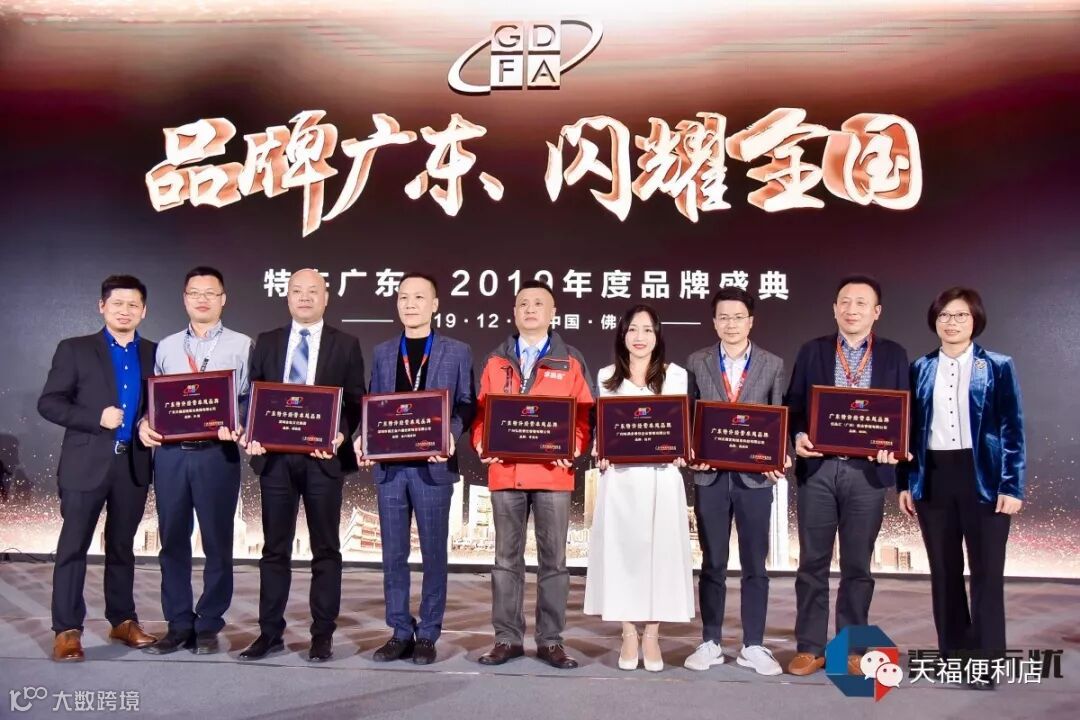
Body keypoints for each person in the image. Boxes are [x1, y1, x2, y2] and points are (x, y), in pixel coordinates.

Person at [899, 287, 1024, 690]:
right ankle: (954, 656)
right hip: (934, 476)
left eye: (960, 315)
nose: (951, 323)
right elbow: (909, 431)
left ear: (975, 320)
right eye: (944, 316)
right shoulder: (920, 368)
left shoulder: (998, 366)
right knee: (944, 571)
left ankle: (985, 662)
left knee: (987, 572)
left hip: (984, 476)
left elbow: (1012, 429)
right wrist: (907, 482)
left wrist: (1012, 485)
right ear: (934, 321)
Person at [784, 275, 909, 676]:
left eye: (861, 303)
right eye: (845, 302)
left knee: (858, 565)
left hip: (866, 474)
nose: (851, 309)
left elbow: (903, 412)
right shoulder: (813, 350)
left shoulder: (893, 355)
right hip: (819, 470)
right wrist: (798, 437)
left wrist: (895, 448)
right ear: (835, 308)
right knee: (812, 563)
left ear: (876, 312)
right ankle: (810, 647)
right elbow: (794, 405)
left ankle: (853, 648)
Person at [239, 268, 366, 662]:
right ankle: (269, 633)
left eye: (313, 291)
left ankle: (322, 634)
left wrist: (341, 433)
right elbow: (254, 395)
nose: (305, 297)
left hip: (322, 461)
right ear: (287, 296)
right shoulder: (268, 341)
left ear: (326, 297)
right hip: (275, 460)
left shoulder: (346, 344)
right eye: (297, 290)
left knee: (325, 549)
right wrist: (252, 430)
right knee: (274, 549)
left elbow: (355, 399)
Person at [355, 272, 476, 666]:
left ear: (435, 304)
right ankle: (399, 631)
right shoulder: (383, 351)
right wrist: (363, 438)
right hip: (391, 470)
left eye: (419, 297)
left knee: (434, 554)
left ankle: (428, 633)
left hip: (433, 468)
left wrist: (450, 436)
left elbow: (467, 403)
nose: (410, 304)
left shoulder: (457, 351)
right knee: (393, 554)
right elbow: (374, 403)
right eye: (403, 297)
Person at [472, 280, 595, 669]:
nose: (530, 309)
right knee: (505, 560)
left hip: (552, 475)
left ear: (553, 313)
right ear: (514, 312)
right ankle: (506, 639)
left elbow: (584, 417)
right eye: (523, 303)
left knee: (554, 561)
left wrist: (575, 447)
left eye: (538, 303)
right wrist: (481, 443)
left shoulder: (570, 360)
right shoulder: (495, 360)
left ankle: (551, 641)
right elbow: (481, 414)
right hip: (505, 473)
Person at [38, 275, 158, 661]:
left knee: (122, 546)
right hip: (85, 462)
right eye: (117, 303)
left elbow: (161, 404)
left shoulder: (155, 353)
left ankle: (122, 620)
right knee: (73, 546)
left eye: (133, 305)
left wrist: (147, 422)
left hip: (133, 464)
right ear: (101, 306)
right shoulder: (74, 349)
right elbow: (49, 403)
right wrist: (96, 418)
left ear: (144, 311)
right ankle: (67, 630)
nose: (125, 311)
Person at [138, 266, 252, 655]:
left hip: (217, 455)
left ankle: (209, 623)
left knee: (218, 543)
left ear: (223, 299)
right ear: (184, 298)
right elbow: (155, 401)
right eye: (194, 293)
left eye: (210, 293)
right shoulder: (167, 347)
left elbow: (250, 398)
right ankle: (178, 624)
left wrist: (239, 422)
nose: (202, 299)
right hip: (170, 457)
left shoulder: (243, 345)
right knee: (172, 542)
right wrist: (144, 422)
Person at [683, 287, 788, 676]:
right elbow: (687, 416)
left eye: (738, 317)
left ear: (751, 321)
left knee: (755, 565)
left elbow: (778, 417)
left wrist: (779, 457)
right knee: (712, 562)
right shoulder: (697, 362)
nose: (731, 324)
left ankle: (753, 644)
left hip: (755, 479)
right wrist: (690, 451)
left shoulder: (772, 364)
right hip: (710, 476)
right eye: (723, 317)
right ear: (714, 322)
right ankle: (710, 641)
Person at [583, 304, 694, 672]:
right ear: (622, 335)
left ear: (658, 336)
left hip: (662, 480)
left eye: (647, 329)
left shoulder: (676, 376)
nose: (640, 337)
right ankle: (629, 632)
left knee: (661, 558)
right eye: (632, 329)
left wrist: (683, 449)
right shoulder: (605, 377)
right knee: (623, 558)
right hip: (621, 481)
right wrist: (600, 448)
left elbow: (682, 428)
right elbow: (602, 430)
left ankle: (653, 635)